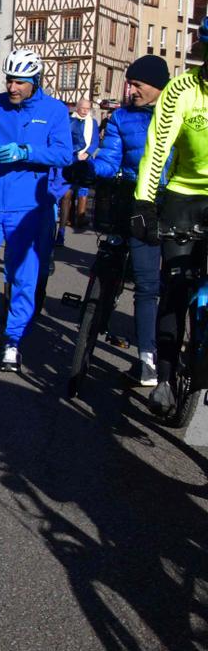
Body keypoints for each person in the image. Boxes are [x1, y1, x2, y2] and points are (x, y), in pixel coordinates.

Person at [0, 48, 72, 372]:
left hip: (28, 210)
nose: (12, 87)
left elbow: (64, 154)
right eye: (9, 79)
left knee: (21, 278)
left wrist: (28, 151)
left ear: (34, 81)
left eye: (20, 82)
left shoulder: (53, 111)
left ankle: (12, 341)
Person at [71, 55, 168, 388]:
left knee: (148, 282)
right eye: (130, 83)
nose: (131, 89)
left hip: (163, 203)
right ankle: (99, 315)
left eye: (137, 84)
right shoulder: (121, 117)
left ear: (157, 85)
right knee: (116, 261)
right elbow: (110, 159)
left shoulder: (172, 115)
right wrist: (89, 170)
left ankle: (148, 358)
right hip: (128, 199)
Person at [134, 22, 208, 417]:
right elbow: (157, 149)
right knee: (176, 289)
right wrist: (145, 203)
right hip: (184, 194)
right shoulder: (182, 90)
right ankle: (163, 378)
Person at [60, 98, 99, 241]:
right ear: (77, 107)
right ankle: (64, 224)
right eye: (83, 108)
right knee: (67, 192)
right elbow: (64, 139)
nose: (85, 111)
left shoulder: (92, 123)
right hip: (70, 158)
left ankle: (80, 217)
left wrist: (87, 153)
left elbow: (95, 141)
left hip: (85, 159)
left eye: (87, 109)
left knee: (83, 189)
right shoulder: (69, 121)